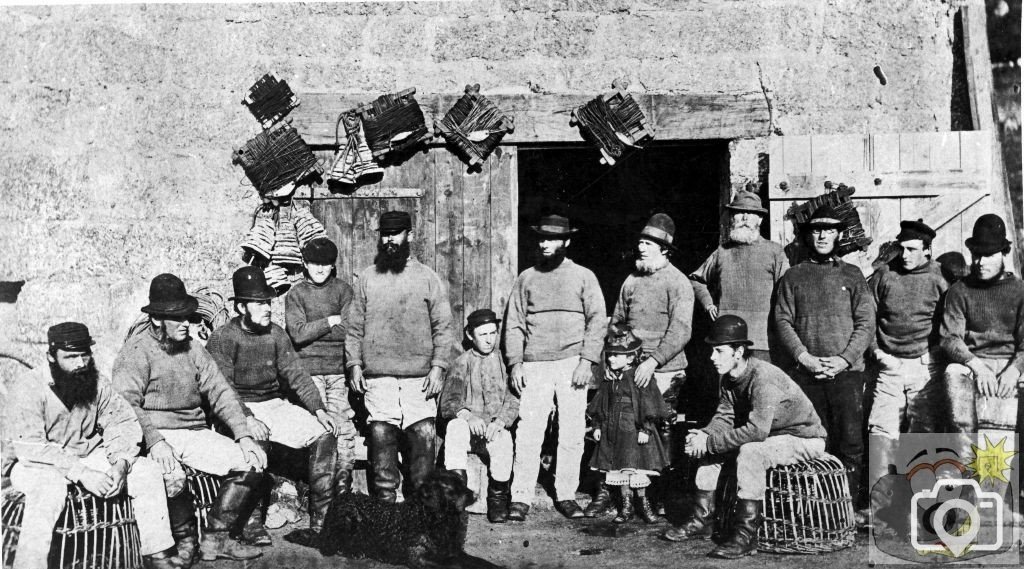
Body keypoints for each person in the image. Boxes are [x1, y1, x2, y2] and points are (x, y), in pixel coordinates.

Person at [113, 273, 268, 563]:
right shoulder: (136, 351)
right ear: (157, 319)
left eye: (189, 316)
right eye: (178, 318)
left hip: (194, 432)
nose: (187, 323)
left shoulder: (194, 349)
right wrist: (155, 442)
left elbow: (221, 392)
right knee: (172, 476)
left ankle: (215, 540)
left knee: (252, 462)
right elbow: (126, 405)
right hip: (155, 433)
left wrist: (243, 435)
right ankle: (185, 543)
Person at [4, 322, 180, 569]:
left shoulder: (96, 382)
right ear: (51, 357)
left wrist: (121, 463)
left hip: (86, 455)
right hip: (39, 464)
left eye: (85, 354)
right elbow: (30, 447)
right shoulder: (28, 386)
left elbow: (122, 422)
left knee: (147, 471)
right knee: (48, 490)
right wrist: (83, 474)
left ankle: (157, 554)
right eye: (71, 357)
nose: (80, 363)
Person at [662, 315, 827, 559]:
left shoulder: (763, 377)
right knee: (710, 447)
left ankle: (746, 535)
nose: (712, 357)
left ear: (738, 351)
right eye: (712, 351)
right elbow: (725, 417)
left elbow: (757, 431)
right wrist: (704, 435)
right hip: (771, 436)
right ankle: (702, 520)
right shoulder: (729, 377)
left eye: (719, 351)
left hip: (802, 437)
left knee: (751, 452)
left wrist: (709, 441)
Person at [207, 266, 350, 539]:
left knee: (325, 434)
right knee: (255, 440)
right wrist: (247, 418)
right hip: (237, 410)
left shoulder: (276, 333)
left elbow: (296, 374)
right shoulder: (223, 338)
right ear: (240, 308)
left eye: (268, 302)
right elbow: (222, 391)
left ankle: (321, 524)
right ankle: (250, 523)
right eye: (259, 303)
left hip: (274, 405)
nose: (268, 308)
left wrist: (319, 410)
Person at [346, 210, 455, 502]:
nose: (389, 239)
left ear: (410, 235)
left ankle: (419, 506)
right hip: (378, 376)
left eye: (396, 233)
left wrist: (438, 367)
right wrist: (355, 364)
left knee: (422, 434)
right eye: (385, 234)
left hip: (419, 377)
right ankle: (385, 505)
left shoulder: (427, 278)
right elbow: (354, 327)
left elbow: (443, 328)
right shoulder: (367, 278)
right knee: (381, 433)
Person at [504, 213, 606, 521]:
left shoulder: (583, 276)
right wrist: (515, 363)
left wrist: (587, 361)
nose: (545, 244)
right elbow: (514, 325)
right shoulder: (527, 278)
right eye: (541, 238)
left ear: (567, 242)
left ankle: (565, 493)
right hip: (535, 365)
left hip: (571, 364)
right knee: (529, 430)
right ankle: (520, 496)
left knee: (572, 431)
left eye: (552, 239)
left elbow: (597, 320)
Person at [774, 205, 876, 502]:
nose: (822, 236)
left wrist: (843, 359)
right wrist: (804, 358)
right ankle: (814, 507)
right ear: (808, 235)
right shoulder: (793, 277)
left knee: (850, 442)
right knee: (813, 441)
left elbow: (866, 321)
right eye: (816, 230)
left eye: (829, 230)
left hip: (846, 375)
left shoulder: (852, 274)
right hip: (806, 375)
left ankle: (844, 507)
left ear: (838, 235)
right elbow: (782, 320)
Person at [864, 219, 948, 523]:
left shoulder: (940, 278)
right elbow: (865, 315)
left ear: (927, 250)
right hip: (889, 364)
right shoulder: (885, 276)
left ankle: (921, 505)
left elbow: (951, 321)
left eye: (912, 249)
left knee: (921, 434)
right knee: (881, 431)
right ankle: (878, 507)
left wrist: (934, 355)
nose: (905, 255)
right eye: (901, 248)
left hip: (925, 366)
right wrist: (876, 352)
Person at [609, 212, 693, 516]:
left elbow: (682, 330)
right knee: (622, 427)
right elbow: (617, 321)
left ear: (665, 250)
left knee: (661, 430)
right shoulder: (631, 281)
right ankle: (619, 494)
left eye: (649, 243)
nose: (642, 248)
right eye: (641, 242)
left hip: (665, 370)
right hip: (630, 369)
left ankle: (660, 495)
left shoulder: (678, 282)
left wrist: (653, 362)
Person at [940, 214, 1024, 447]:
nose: (980, 262)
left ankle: (1000, 477)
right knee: (953, 372)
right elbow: (950, 338)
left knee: (1000, 436)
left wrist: (1014, 370)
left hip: (1010, 364)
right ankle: (965, 463)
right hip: (974, 362)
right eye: (977, 255)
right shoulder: (960, 290)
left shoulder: (1019, 290)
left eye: (988, 255)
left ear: (1004, 253)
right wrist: (976, 365)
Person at [439, 308, 520, 523]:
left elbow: (514, 399)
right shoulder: (462, 362)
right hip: (469, 431)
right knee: (454, 428)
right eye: (483, 334)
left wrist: (501, 420)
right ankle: (456, 498)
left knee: (504, 440)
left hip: (494, 430)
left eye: (492, 333)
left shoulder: (506, 362)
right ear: (470, 335)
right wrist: (467, 416)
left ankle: (497, 499)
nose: (489, 340)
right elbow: (449, 402)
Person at [285, 236, 358, 474]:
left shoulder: (343, 291)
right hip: (309, 374)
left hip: (338, 372)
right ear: (305, 264)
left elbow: (349, 330)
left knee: (343, 430)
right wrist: (330, 321)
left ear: (333, 265)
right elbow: (297, 334)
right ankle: (319, 493)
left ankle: (343, 491)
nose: (320, 268)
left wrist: (313, 329)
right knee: (320, 430)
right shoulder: (297, 294)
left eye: (325, 263)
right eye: (314, 263)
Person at [689, 189, 789, 361]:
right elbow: (695, 280)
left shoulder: (774, 251)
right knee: (727, 387)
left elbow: (786, 292)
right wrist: (708, 304)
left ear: (760, 219)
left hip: (762, 341)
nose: (744, 218)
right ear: (731, 218)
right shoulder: (722, 252)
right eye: (739, 213)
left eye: (751, 213)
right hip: (726, 341)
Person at [586, 325, 671, 524]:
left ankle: (644, 503)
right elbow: (600, 404)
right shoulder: (609, 379)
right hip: (614, 433)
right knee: (620, 469)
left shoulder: (640, 377)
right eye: (610, 355)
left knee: (636, 469)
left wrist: (645, 429)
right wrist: (597, 426)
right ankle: (626, 507)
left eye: (616, 356)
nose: (610, 359)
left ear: (631, 358)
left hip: (633, 433)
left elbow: (649, 404)